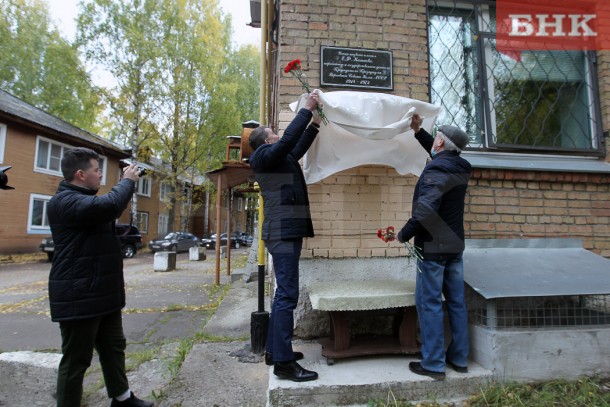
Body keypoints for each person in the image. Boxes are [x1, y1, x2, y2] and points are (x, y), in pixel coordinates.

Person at [47, 147, 153, 407]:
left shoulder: (84, 200)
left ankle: (122, 398)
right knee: (76, 360)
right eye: (97, 170)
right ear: (81, 174)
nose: (100, 175)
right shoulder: (65, 201)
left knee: (113, 347)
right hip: (79, 294)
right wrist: (127, 180)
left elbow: (104, 211)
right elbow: (110, 205)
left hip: (102, 292)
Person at [248, 92, 322, 382]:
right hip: (283, 231)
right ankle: (283, 363)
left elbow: (297, 146)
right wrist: (305, 110)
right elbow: (289, 140)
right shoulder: (263, 157)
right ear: (266, 141)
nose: (278, 135)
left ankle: (274, 350)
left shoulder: (276, 157)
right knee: (287, 295)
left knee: (283, 294)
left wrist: (314, 125)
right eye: (273, 133)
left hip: (285, 230)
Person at [397, 114, 472, 380]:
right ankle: (460, 358)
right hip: (455, 246)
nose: (435, 139)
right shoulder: (460, 166)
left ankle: (433, 364)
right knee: (456, 303)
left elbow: (426, 210)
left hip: (434, 248)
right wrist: (418, 132)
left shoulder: (436, 168)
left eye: (436, 136)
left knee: (429, 303)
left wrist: (404, 234)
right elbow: (442, 154)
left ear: (440, 143)